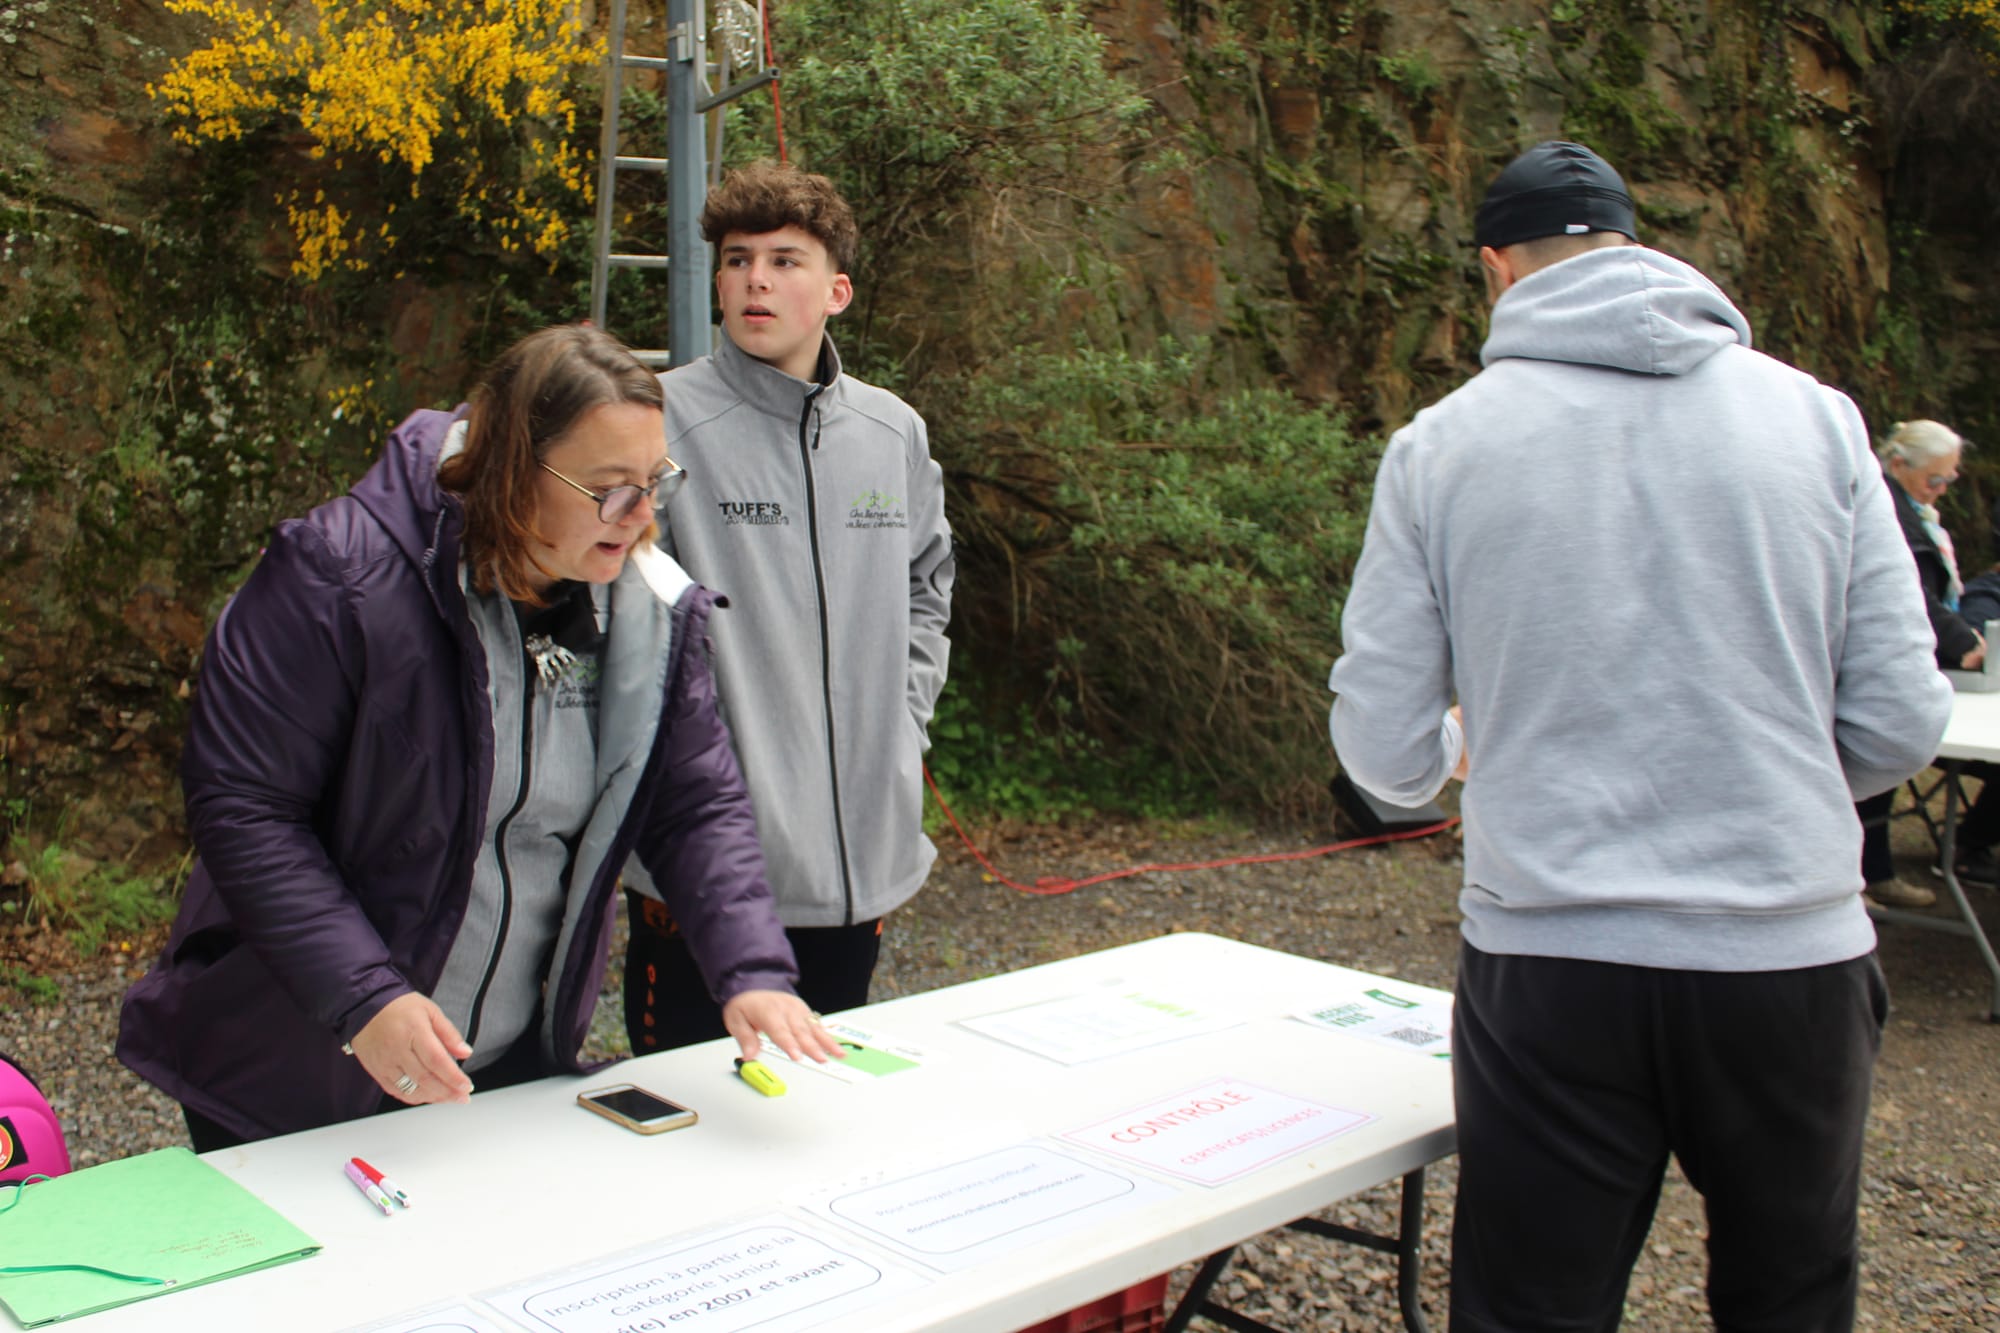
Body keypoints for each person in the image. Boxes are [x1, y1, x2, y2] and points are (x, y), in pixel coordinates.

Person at [1327, 141, 1951, 1332]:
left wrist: (1467, 747)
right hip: (1787, 956)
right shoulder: (1817, 422)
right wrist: (1766, 779)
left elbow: (1383, 754)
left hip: (1555, 960)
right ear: (1634, 244)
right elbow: (1897, 718)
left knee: (1532, 1308)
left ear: (1495, 271)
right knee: (1791, 1297)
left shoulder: (1441, 444)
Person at [118, 325, 841, 1149]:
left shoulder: (641, 605)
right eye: (611, 489)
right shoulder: (337, 574)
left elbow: (692, 799)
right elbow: (245, 808)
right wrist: (365, 997)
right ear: (513, 473)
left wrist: (750, 968)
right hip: (301, 1066)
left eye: (655, 482)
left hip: (493, 1068)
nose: (641, 517)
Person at [622, 162, 954, 1055]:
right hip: (706, 874)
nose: (756, 280)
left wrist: (903, 718)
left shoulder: (893, 432)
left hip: (862, 874)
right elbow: (613, 610)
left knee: (825, 1130)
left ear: (837, 289)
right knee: (695, 1139)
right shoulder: (656, 422)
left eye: (784, 259)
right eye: (736, 261)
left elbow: (929, 583)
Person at [1858, 418, 1980, 907]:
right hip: (1885, 654)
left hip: (1915, 653)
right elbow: (1906, 592)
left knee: (1883, 776)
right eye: (1935, 479)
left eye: (1950, 480)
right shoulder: (1885, 508)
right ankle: (1859, 876)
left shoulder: (1915, 512)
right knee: (1872, 760)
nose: (1942, 490)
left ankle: (1876, 871)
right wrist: (1961, 641)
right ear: (1897, 464)